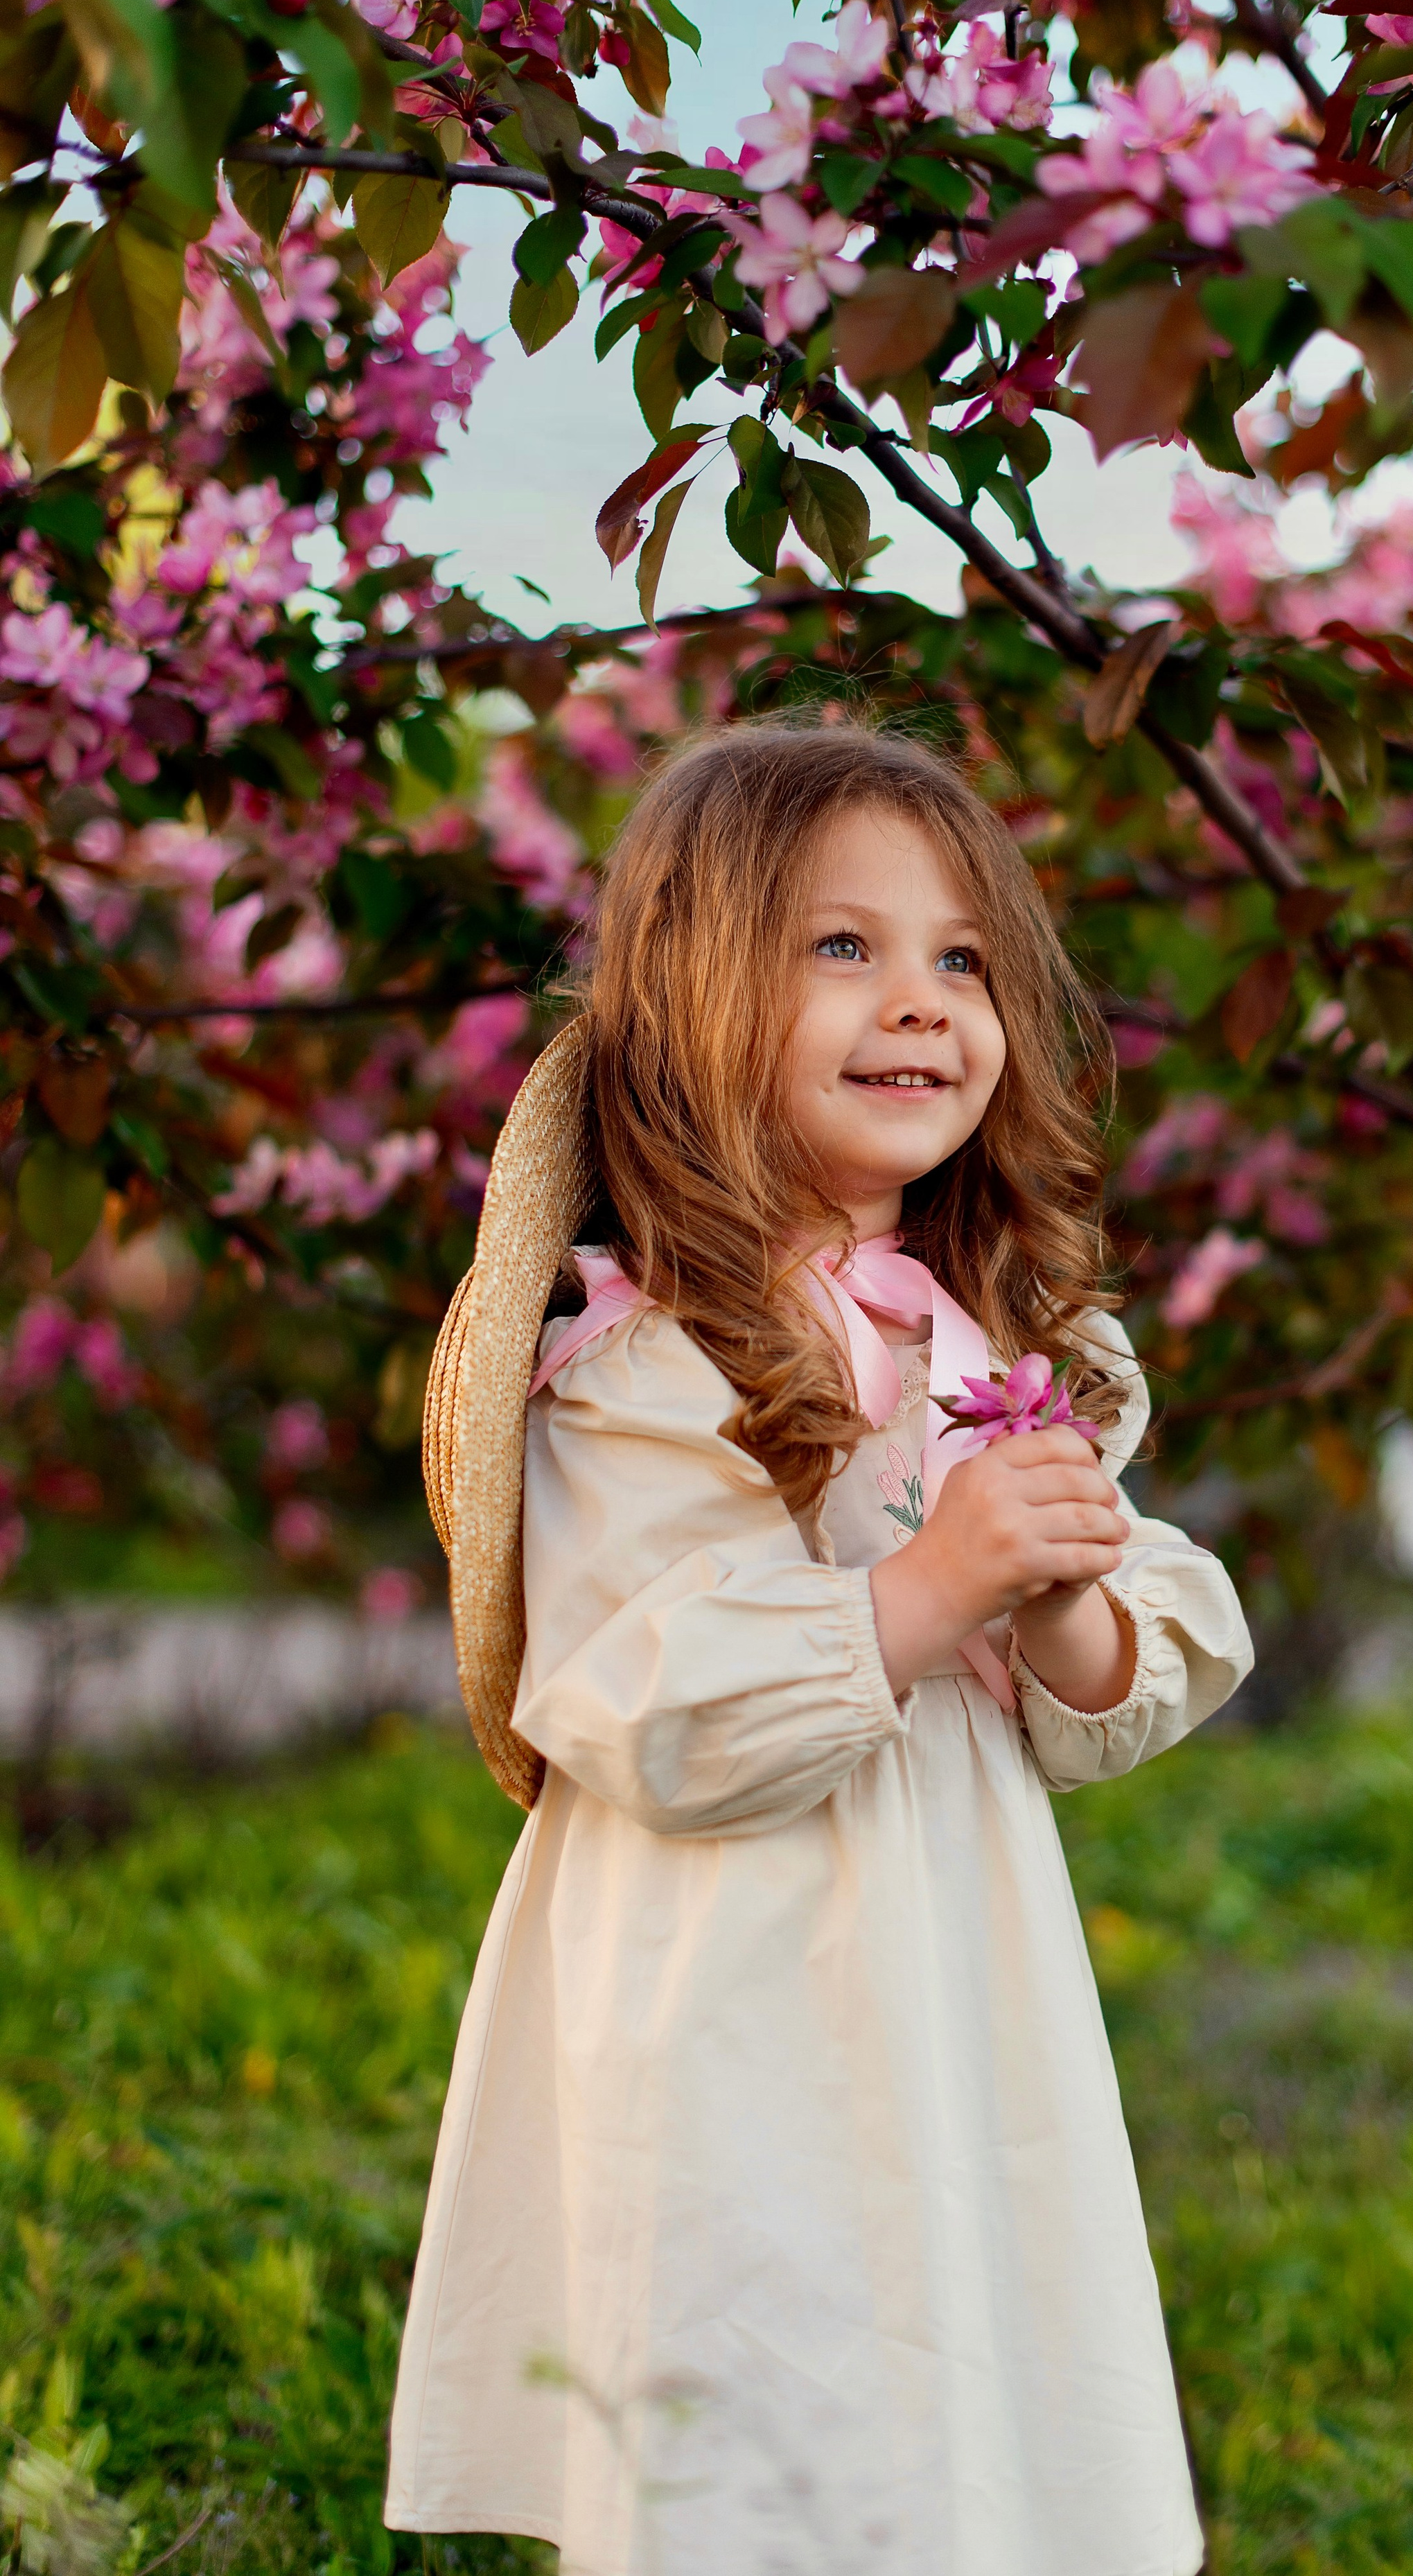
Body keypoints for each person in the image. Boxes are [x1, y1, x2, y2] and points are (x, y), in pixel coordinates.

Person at [386, 722, 1253, 2576]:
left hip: (951, 1969)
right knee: (762, 2385)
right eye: (841, 947)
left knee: (949, 2375)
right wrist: (928, 1587)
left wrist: (1065, 1598)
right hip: (733, 1990)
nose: (921, 1002)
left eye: (961, 957)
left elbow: (1130, 1674)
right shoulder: (635, 1368)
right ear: (699, 996)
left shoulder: (999, 1347)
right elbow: (647, 1696)